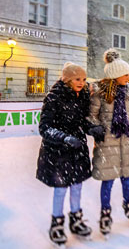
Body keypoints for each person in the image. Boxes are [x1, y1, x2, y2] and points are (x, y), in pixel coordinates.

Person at [36, 62, 105, 246]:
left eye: (83, 79)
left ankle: (76, 219)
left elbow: (83, 120)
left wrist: (93, 128)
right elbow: (44, 128)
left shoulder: (82, 95)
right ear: (67, 79)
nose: (82, 82)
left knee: (77, 186)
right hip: (58, 151)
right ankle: (56, 223)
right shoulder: (54, 97)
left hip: (77, 149)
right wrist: (64, 138)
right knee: (61, 188)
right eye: (77, 79)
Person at [89, 49, 129, 236]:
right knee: (108, 180)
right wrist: (97, 128)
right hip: (107, 142)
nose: (128, 76)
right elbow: (91, 116)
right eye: (125, 74)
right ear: (116, 75)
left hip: (126, 141)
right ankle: (105, 213)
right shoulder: (100, 93)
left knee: (127, 177)